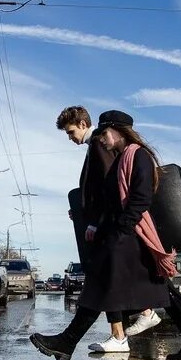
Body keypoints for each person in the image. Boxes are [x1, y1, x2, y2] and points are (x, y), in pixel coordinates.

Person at [31, 110, 181, 360]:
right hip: (124, 234)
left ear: (118, 131)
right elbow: (109, 198)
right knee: (155, 291)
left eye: (104, 133)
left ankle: (67, 342)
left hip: (130, 235)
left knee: (105, 284)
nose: (101, 138)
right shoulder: (122, 159)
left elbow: (140, 200)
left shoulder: (138, 156)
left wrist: (120, 232)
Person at [56, 106, 161, 336]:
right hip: (113, 220)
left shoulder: (98, 142)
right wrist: (81, 211)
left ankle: (122, 332)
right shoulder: (99, 143)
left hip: (112, 221)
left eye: (70, 132)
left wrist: (94, 221)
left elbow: (106, 186)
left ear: (83, 124)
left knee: (106, 276)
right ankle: (123, 332)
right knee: (110, 276)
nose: (70, 138)